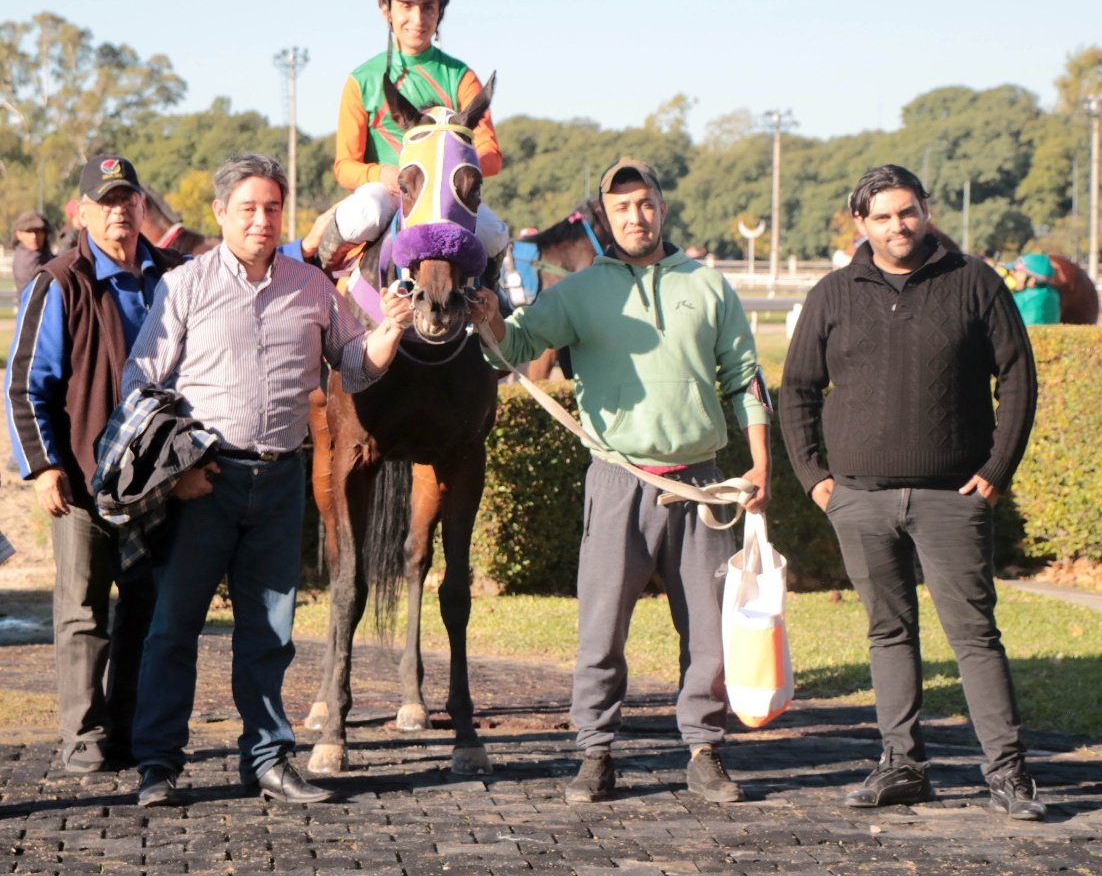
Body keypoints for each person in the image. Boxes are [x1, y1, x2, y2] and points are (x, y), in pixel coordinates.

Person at [470, 156, 771, 804]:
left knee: (710, 634)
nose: (637, 216)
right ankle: (595, 752)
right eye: (622, 207)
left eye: (646, 203)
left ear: (662, 208)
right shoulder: (579, 292)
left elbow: (746, 376)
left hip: (702, 489)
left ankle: (705, 750)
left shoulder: (709, 285)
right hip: (617, 482)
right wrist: (490, 314)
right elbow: (513, 347)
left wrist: (762, 464)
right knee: (601, 630)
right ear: (605, 218)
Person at [121, 153, 413, 808]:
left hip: (280, 480)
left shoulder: (312, 287)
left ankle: (268, 761)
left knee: (270, 634)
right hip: (204, 481)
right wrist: (177, 468)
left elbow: (355, 364)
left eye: (272, 208)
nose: (261, 219)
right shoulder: (185, 285)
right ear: (220, 212)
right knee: (173, 628)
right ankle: (159, 766)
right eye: (248, 208)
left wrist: (391, 327)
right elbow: (140, 379)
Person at [779, 164, 1046, 821]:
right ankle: (903, 766)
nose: (898, 225)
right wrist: (816, 479)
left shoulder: (975, 282)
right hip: (859, 501)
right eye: (883, 216)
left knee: (974, 636)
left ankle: (1008, 773)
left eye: (908, 211)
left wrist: (996, 470)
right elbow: (798, 390)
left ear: (925, 210)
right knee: (888, 632)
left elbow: (1017, 376)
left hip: (953, 498)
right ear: (861, 223)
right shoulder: (832, 294)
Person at [5, 156, 182, 773]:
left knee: (145, 606)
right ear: (83, 213)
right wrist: (43, 466)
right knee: (83, 609)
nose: (119, 212)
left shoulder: (175, 274)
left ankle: (129, 730)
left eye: (128, 199)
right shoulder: (60, 281)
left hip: (159, 480)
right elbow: (25, 385)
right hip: (82, 477)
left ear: (142, 207)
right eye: (106, 202)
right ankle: (83, 734)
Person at [329, 0, 509, 289]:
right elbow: (344, 167)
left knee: (495, 233)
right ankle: (320, 286)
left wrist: (449, 172)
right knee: (362, 214)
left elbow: (491, 155)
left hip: (448, 200)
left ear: (440, 13)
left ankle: (492, 302)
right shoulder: (361, 80)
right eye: (406, 6)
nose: (418, 18)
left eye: (428, 7)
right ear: (386, 10)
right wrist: (385, 174)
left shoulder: (460, 77)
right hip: (388, 192)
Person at [1010, 252, 1061, 326]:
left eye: (1020, 272)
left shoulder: (1026, 299)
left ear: (1032, 280)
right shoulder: (1052, 294)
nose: (1015, 275)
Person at [11, 210, 54, 298]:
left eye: (38, 231)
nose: (34, 236)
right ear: (19, 234)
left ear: (45, 233)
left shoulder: (42, 253)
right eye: (29, 231)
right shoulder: (26, 259)